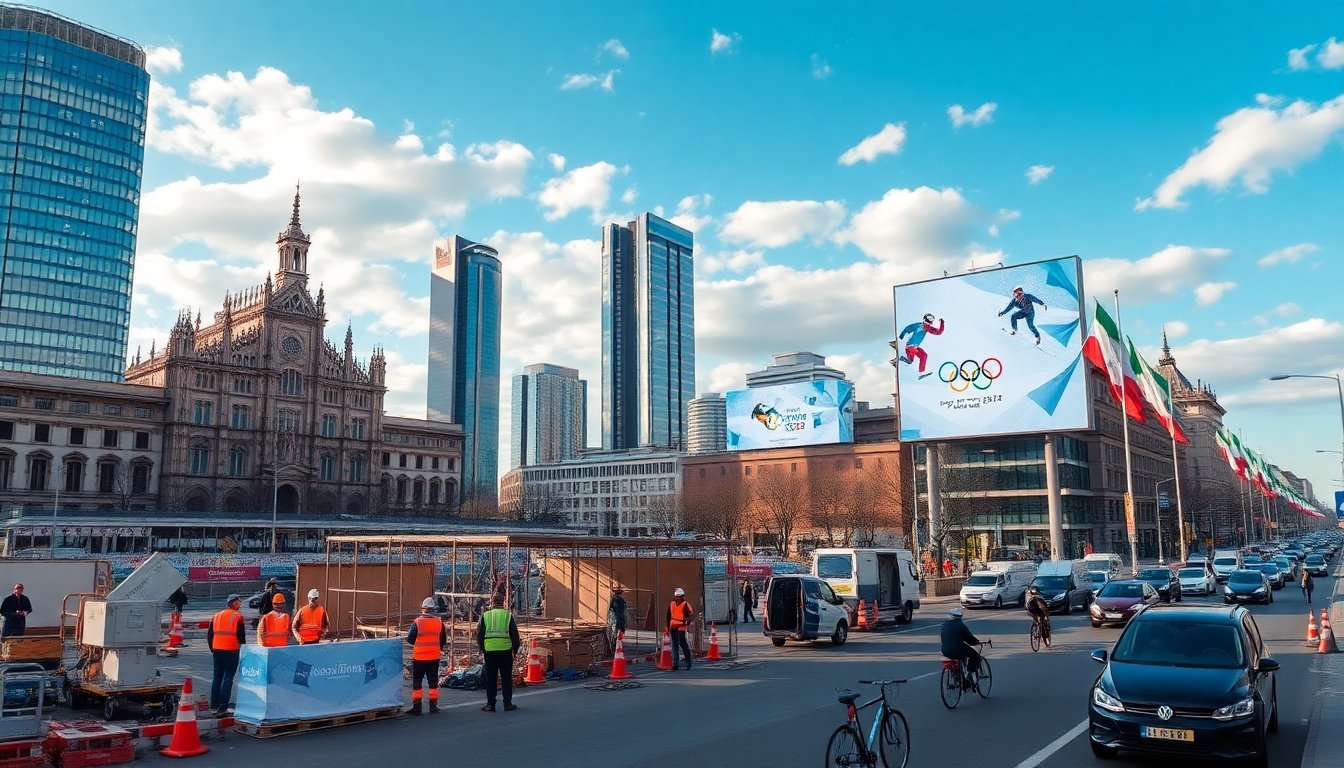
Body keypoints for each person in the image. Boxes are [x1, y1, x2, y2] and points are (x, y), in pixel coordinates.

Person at [477, 593, 520, 713]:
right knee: (506, 678)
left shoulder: (485, 615)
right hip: (505, 651)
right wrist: (515, 650)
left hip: (490, 651)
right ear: (503, 602)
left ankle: (490, 704)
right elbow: (514, 635)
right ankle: (507, 703)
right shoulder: (507, 615)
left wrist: (482, 649)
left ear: (492, 602)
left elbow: (479, 634)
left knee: (491, 678)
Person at [406, 598, 447, 715]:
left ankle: (417, 707)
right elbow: (443, 640)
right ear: (433, 609)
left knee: (417, 682)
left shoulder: (417, 622)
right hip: (434, 657)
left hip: (419, 657)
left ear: (423, 608)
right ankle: (433, 705)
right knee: (433, 682)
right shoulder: (439, 622)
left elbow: (410, 639)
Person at [207, 594, 246, 715]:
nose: (239, 605)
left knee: (217, 677)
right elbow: (241, 637)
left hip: (217, 649)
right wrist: (243, 649)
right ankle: (223, 707)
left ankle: (214, 705)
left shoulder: (216, 615)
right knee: (228, 677)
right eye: (238, 602)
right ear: (233, 603)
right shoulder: (237, 616)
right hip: (231, 649)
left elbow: (210, 635)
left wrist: (212, 649)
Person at [897, 313, 945, 378]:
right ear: (924, 321)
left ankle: (921, 372)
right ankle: (900, 357)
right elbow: (906, 329)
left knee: (920, 357)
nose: (928, 325)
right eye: (928, 323)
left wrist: (942, 323)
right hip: (910, 347)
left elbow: (939, 332)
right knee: (916, 356)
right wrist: (899, 339)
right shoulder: (917, 326)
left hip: (914, 348)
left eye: (931, 323)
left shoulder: (928, 328)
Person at [940, 607, 983, 677]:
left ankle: (957, 675)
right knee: (974, 655)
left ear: (951, 616)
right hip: (958, 650)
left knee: (959, 656)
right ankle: (970, 673)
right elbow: (969, 638)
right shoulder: (961, 625)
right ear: (960, 616)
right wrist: (976, 642)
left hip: (945, 650)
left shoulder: (944, 625)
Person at [667, 587, 695, 671]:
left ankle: (688, 663)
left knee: (683, 644)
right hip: (673, 626)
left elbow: (691, 614)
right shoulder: (672, 604)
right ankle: (675, 664)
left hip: (681, 626)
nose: (678, 598)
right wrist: (668, 626)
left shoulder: (685, 604)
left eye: (679, 597)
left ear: (682, 597)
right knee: (674, 646)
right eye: (677, 596)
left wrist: (688, 621)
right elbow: (668, 616)